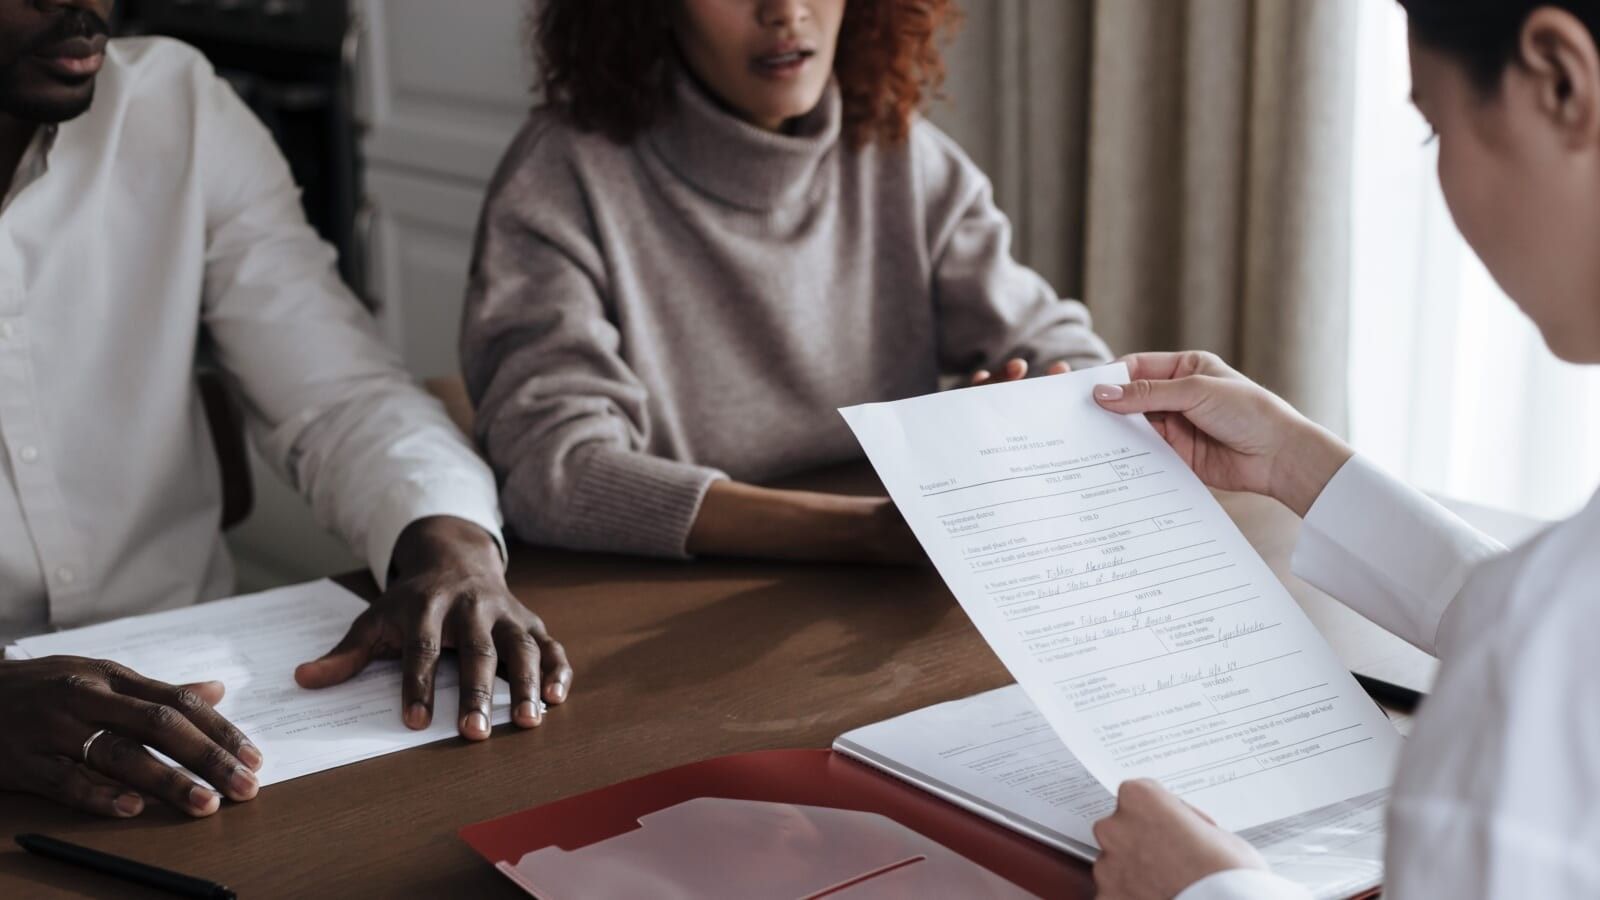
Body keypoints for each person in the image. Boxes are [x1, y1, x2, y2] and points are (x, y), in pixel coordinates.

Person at [0, 0, 571, 821]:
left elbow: (338, 391)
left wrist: (450, 544)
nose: (87, 9)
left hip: (203, 715)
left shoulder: (175, 105)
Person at [1086, 2, 1600, 896]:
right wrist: (1292, 460)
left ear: (1561, 80)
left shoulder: (1541, 645)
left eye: (1435, 128)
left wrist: (1205, 887)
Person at [460, 0, 1113, 565]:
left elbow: (1061, 349)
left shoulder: (900, 152)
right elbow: (555, 472)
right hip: (670, 598)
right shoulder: (561, 177)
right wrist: (863, 533)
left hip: (892, 593)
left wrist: (1030, 415)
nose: (784, 10)